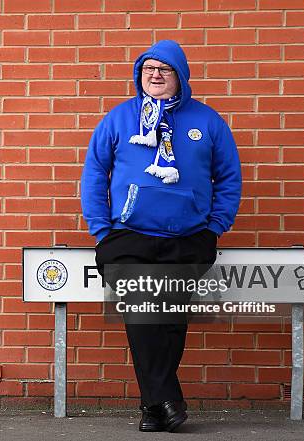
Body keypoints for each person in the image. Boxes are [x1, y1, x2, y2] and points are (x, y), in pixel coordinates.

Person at [81, 40, 242, 432]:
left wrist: (214, 227)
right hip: (127, 238)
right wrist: (102, 231)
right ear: (140, 76)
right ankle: (168, 400)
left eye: (164, 69)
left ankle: (153, 410)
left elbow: (229, 178)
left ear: (180, 77)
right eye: (148, 68)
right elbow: (94, 177)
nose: (154, 75)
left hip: (188, 237)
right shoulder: (119, 120)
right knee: (142, 315)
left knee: (170, 323)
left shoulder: (207, 121)